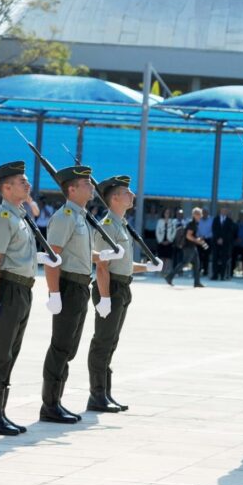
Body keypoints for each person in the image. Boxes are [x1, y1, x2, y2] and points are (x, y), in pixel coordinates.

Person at [0, 161, 61, 435]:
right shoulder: (4, 219)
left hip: (23, 289)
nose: (27, 185)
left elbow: (16, 255)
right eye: (21, 182)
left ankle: (0, 412)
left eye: (27, 181)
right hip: (9, 291)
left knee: (11, 353)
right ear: (6, 188)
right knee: (0, 353)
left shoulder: (19, 215)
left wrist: (37, 258)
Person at [41, 165, 123, 424]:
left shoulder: (82, 217)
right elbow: (53, 257)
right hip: (67, 286)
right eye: (86, 184)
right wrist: (54, 293)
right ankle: (49, 405)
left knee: (70, 348)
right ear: (72, 189)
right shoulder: (65, 217)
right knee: (60, 347)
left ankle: (57, 401)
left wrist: (103, 256)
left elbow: (78, 254)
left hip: (80, 286)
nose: (91, 187)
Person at [88, 176, 164, 412]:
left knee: (111, 342)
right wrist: (105, 297)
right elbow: (102, 265)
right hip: (109, 288)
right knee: (102, 342)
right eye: (126, 192)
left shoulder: (121, 224)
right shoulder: (107, 225)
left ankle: (106, 393)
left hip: (122, 287)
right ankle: (96, 395)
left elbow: (123, 264)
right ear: (114, 198)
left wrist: (146, 267)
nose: (132, 195)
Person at [165, 207, 207, 287]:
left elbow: (190, 235)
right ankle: (169, 277)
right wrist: (197, 240)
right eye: (199, 214)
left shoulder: (193, 223)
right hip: (188, 247)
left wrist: (197, 239)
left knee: (197, 264)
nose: (201, 216)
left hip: (192, 247)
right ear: (195, 215)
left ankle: (197, 282)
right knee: (184, 263)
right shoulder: (192, 224)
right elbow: (188, 236)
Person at [211, 207, 236, 281]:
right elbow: (214, 229)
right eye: (222, 211)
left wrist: (223, 239)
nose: (224, 212)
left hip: (225, 243)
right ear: (220, 211)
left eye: (225, 211)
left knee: (224, 259)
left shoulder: (229, 221)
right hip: (216, 242)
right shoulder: (216, 219)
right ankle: (215, 275)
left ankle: (222, 275)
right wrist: (218, 238)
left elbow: (230, 232)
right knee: (215, 258)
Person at [197, 208, 214, 277]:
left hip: (207, 240)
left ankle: (205, 271)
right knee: (199, 255)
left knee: (206, 255)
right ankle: (198, 269)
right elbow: (196, 229)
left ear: (208, 213)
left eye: (205, 212)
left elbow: (212, 231)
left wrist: (205, 236)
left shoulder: (211, 220)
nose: (204, 214)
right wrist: (199, 236)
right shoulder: (199, 220)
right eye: (203, 212)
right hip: (199, 240)